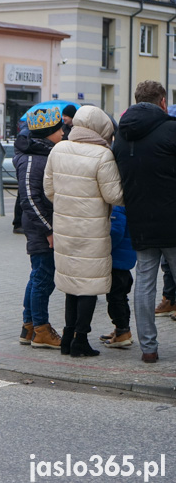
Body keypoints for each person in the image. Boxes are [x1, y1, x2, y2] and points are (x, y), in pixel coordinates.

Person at [43, 105, 123, 357]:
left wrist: (67, 204)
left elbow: (49, 189)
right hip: (92, 230)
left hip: (65, 228)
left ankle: (67, 338)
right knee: (88, 285)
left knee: (71, 284)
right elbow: (114, 195)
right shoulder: (102, 155)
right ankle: (80, 340)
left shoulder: (59, 149)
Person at [112, 80, 176, 363]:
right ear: (162, 101)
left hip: (139, 219)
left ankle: (148, 349)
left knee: (145, 284)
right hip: (173, 220)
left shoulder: (122, 135)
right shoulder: (172, 129)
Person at [14, 106, 63, 349]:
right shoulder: (34, 158)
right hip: (41, 227)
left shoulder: (42, 152)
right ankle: (41, 329)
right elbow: (29, 199)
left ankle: (29, 326)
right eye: (58, 129)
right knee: (43, 277)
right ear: (48, 133)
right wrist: (48, 230)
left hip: (42, 225)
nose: (63, 132)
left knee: (38, 276)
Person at [99, 205, 136, 348]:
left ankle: (122, 332)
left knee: (115, 298)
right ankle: (123, 330)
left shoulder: (117, 208)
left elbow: (115, 232)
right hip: (124, 260)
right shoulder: (125, 206)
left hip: (117, 261)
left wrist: (102, 249)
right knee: (121, 297)